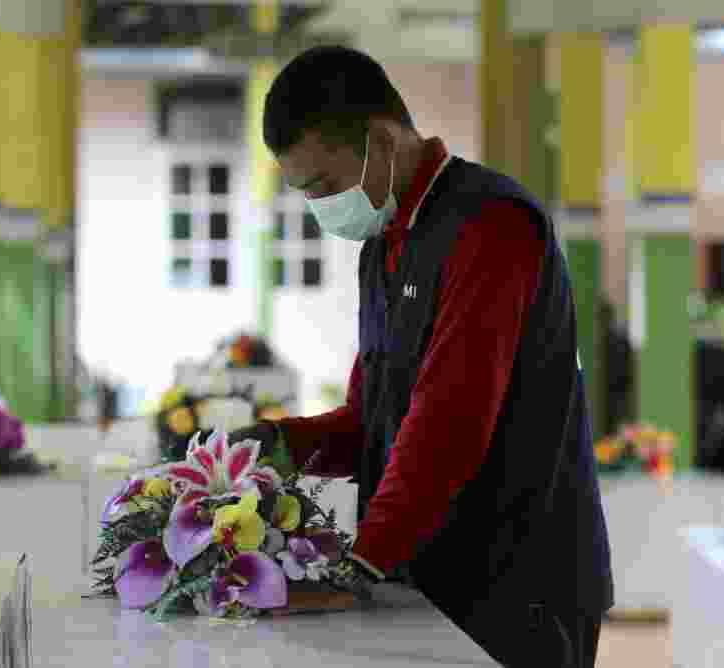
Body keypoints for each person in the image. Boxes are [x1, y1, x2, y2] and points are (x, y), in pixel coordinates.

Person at [231, 46, 613, 667]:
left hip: (519, 582)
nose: (321, 207)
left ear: (381, 140)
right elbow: (370, 423)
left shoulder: (491, 226)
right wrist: (271, 446)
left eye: (325, 186)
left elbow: (451, 423)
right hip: (435, 576)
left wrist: (358, 564)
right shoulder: (384, 247)